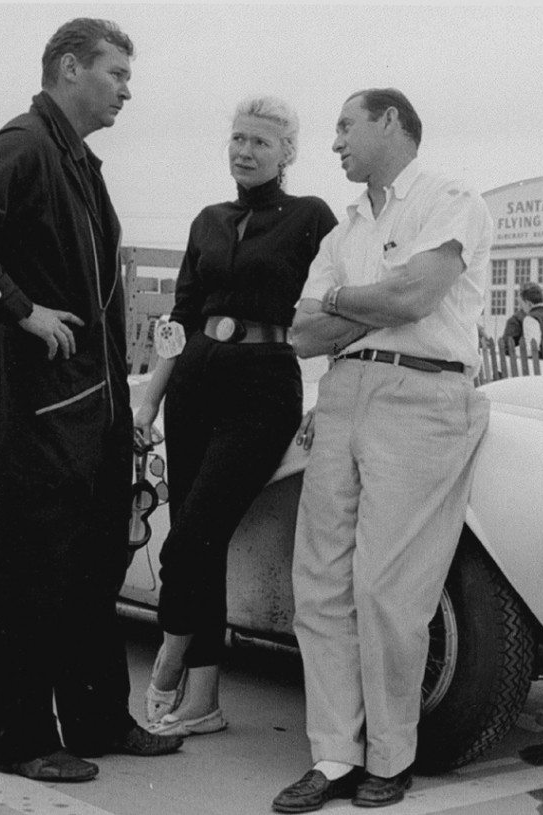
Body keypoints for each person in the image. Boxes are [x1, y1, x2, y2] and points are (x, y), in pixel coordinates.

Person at [0, 18, 183, 782]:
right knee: (30, 575)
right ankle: (23, 739)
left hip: (90, 409)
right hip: (38, 410)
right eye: (116, 74)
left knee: (91, 568)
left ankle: (98, 719)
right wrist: (19, 306)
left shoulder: (76, 160)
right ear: (69, 69)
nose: (127, 90)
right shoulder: (26, 144)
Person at [273, 88, 492, 812]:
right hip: (342, 396)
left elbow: (414, 298)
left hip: (424, 397)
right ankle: (334, 755)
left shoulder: (449, 198)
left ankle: (390, 756)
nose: (333, 142)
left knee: (388, 588)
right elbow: (304, 334)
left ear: (390, 122)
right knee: (322, 581)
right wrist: (360, 302)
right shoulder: (346, 232)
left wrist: (344, 304)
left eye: (344, 126)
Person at [134, 97, 337, 738]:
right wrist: (149, 397)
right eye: (238, 139)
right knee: (202, 539)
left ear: (287, 154)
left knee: (194, 531)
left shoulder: (311, 218)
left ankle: (171, 650)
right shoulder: (207, 220)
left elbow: (334, 312)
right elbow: (180, 318)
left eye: (260, 142)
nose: (245, 150)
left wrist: (328, 395)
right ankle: (204, 700)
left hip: (263, 386)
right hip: (193, 381)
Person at [500, 280, 543, 356]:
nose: (521, 308)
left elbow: (531, 349)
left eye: (521, 304)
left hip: (538, 364)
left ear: (529, 303)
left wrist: (514, 352)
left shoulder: (530, 318)